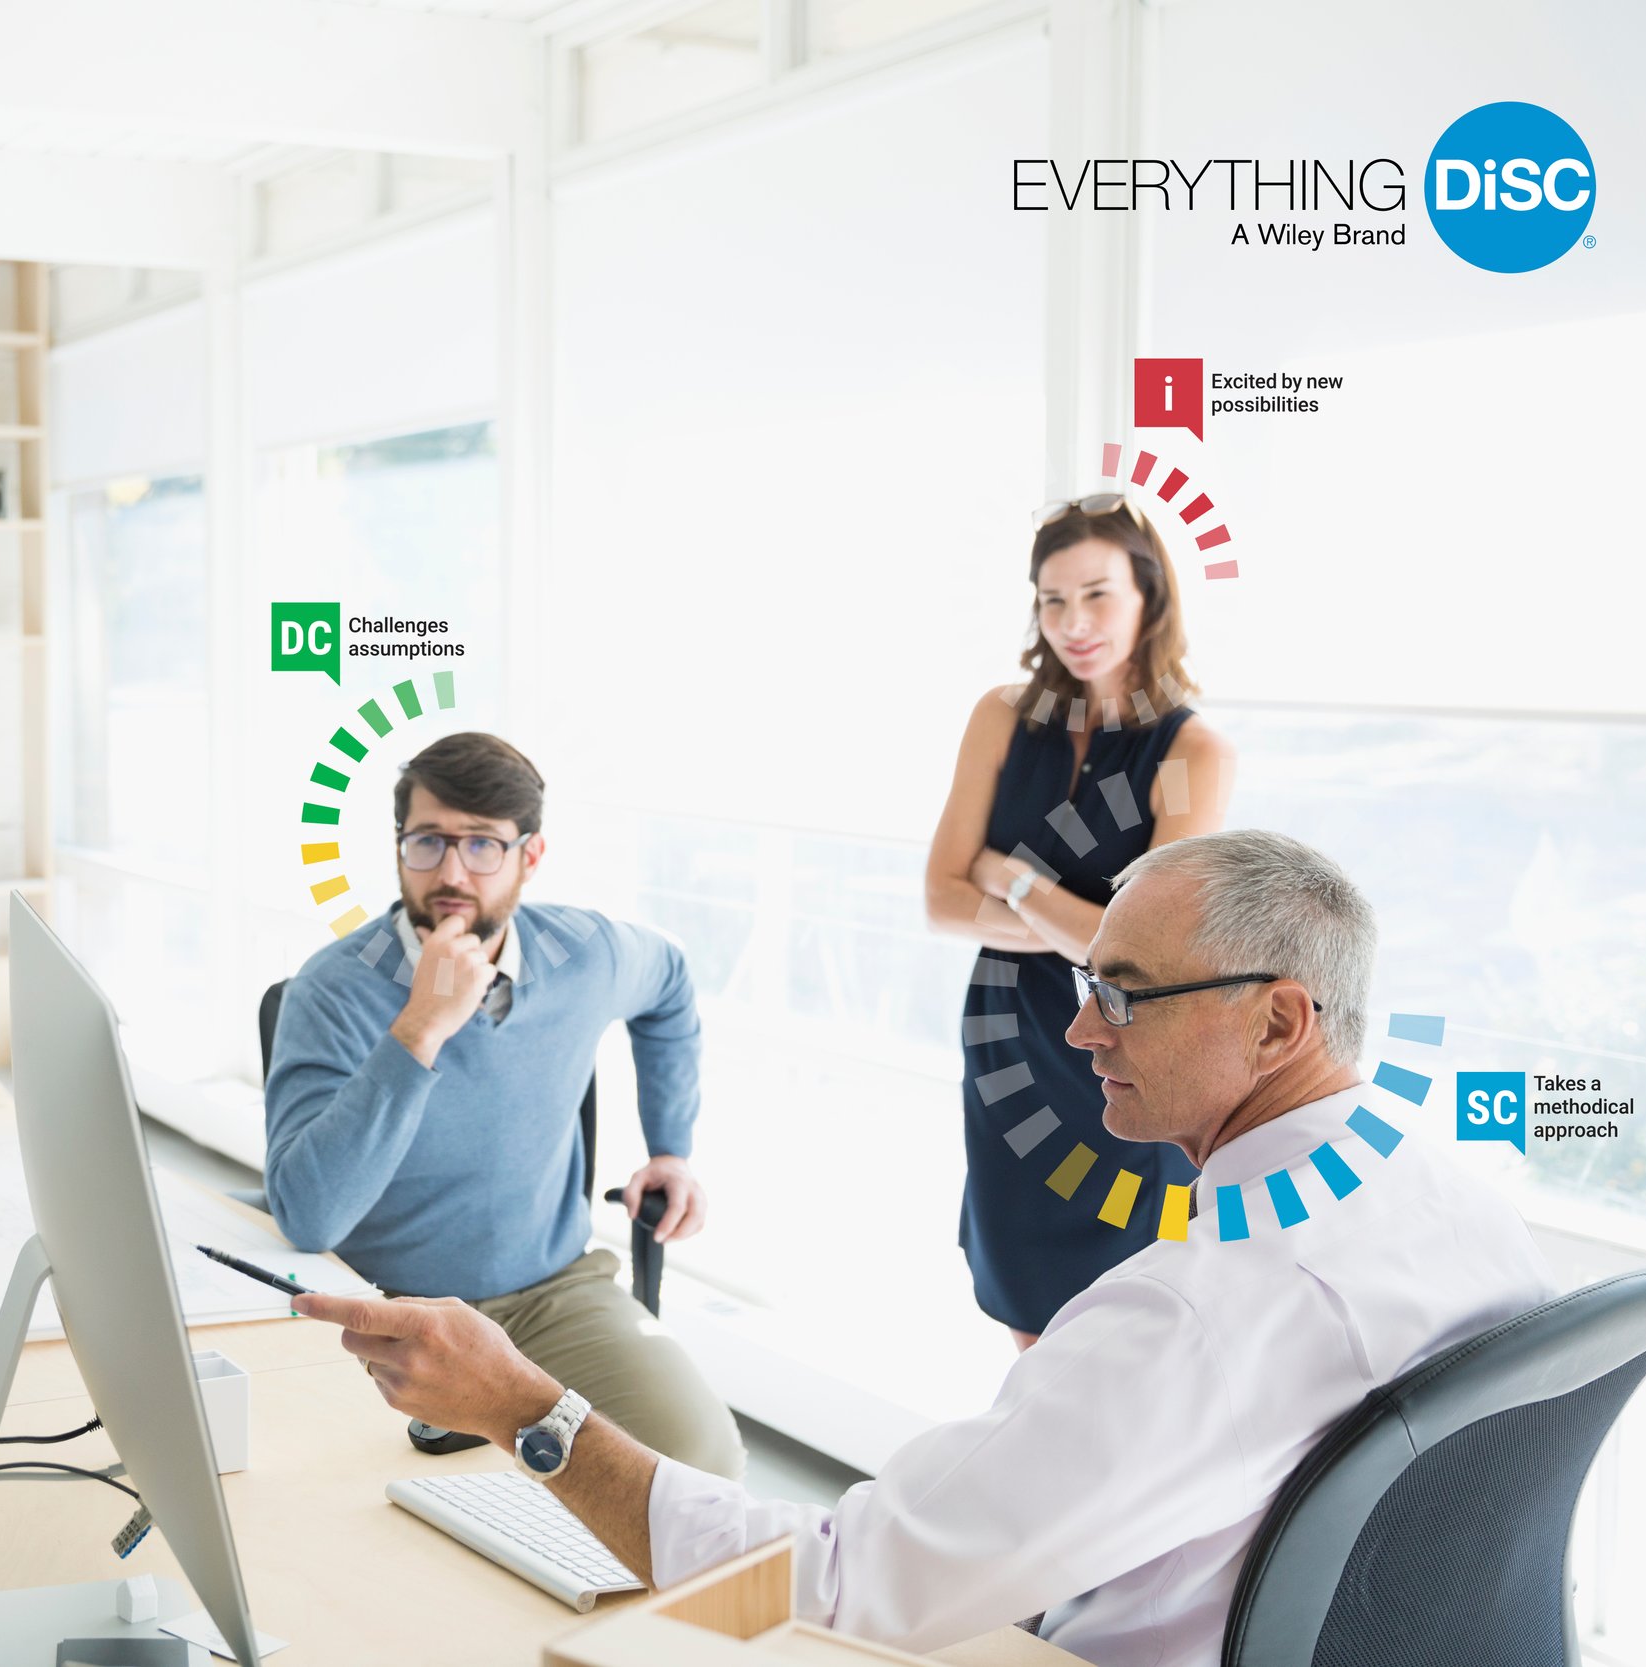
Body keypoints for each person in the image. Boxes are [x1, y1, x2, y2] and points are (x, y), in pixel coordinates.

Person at [297, 832, 1556, 1667]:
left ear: (1279, 1018)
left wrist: (524, 1408)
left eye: (1121, 992)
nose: (1078, 1026)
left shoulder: (1198, 1308)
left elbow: (842, 1592)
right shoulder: (1462, 1199)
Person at [263, 731, 744, 1478]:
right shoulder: (332, 989)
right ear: (398, 848)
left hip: (552, 1293)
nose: (452, 872)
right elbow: (308, 1216)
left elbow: (671, 984)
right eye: (428, 841)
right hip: (390, 1309)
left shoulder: (587, 953)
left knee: (702, 1460)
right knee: (355, 1509)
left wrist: (670, 1147)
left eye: (483, 845)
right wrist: (419, 1028)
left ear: (530, 856)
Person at [927, 495, 1239, 1346]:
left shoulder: (1190, 752)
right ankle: (1042, 1481)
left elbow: (1144, 951)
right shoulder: (1001, 715)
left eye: (1097, 593)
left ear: (1149, 594)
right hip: (1010, 1042)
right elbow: (942, 897)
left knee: (1135, 1325)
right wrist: (1082, 926)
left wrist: (1014, 880)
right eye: (1053, 599)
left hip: (1129, 1057)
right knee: (1027, 1317)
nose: (1074, 621)